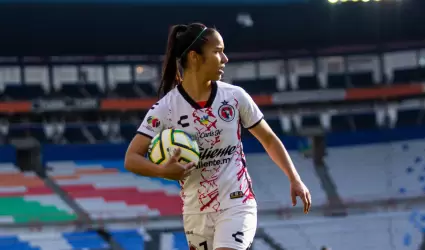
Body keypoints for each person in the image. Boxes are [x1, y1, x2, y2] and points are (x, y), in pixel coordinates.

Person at [124, 22, 311, 250]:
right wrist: (162, 171)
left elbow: (269, 139)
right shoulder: (165, 109)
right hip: (196, 213)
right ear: (194, 57)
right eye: (217, 51)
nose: (225, 59)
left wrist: (294, 178)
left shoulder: (235, 97)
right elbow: (131, 158)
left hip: (237, 203)